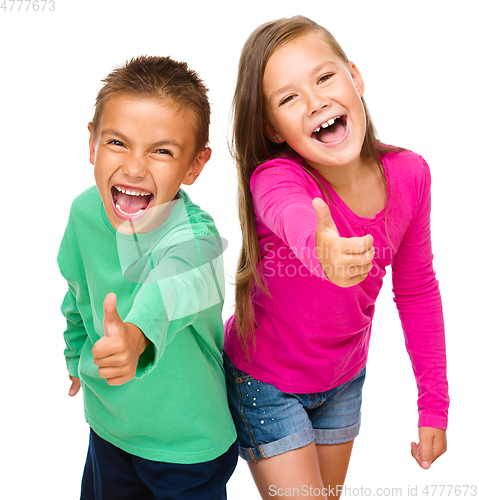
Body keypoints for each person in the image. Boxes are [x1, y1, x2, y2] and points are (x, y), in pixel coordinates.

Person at [223, 15, 448, 500]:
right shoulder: (277, 178)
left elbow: (417, 291)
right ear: (272, 128)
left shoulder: (410, 174)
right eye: (289, 98)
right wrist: (321, 250)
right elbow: (292, 217)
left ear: (355, 76)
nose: (316, 101)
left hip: (343, 379)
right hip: (266, 381)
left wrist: (434, 406)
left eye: (324, 77)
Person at [57, 56, 237, 500]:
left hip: (188, 446)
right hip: (110, 427)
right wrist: (76, 353)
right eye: (118, 142)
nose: (135, 168)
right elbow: (77, 291)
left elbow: (168, 294)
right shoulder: (83, 212)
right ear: (93, 145)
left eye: (161, 151)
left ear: (195, 165)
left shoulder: (198, 240)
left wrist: (134, 339)